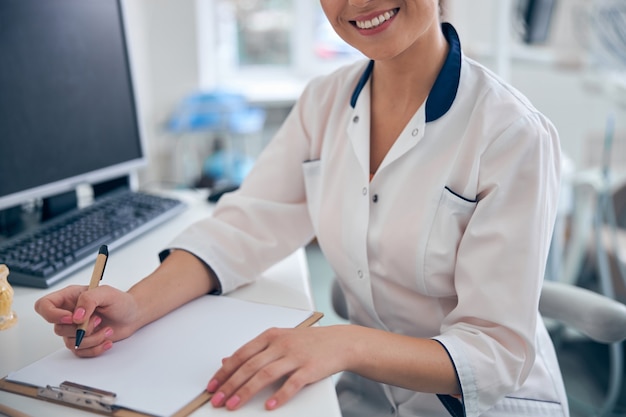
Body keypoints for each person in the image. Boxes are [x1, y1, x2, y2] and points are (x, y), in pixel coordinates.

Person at [34, 1, 569, 416]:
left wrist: (345, 344)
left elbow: (497, 353)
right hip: (367, 394)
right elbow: (246, 225)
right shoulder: (325, 102)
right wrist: (133, 307)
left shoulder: (511, 133)